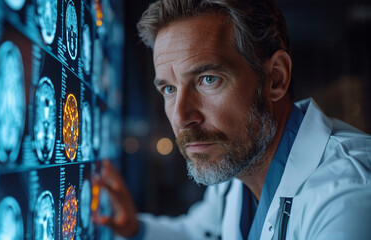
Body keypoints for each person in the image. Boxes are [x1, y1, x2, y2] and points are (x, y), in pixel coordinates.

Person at [94, 0, 371, 239]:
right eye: (169, 89)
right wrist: (134, 229)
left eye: (208, 80)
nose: (180, 117)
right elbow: (197, 234)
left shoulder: (348, 199)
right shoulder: (238, 163)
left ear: (276, 78)